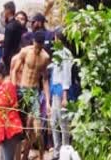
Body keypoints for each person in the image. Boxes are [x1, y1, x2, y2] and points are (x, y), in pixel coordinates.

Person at [10, 31, 51, 160]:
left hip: (34, 92)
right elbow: (15, 70)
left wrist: (48, 102)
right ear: (33, 42)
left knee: (37, 130)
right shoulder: (25, 51)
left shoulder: (45, 57)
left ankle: (37, 156)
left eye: (41, 47)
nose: (38, 49)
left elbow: (44, 79)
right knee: (19, 129)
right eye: (37, 46)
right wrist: (12, 90)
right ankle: (18, 157)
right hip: (22, 89)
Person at [49, 31, 73, 159]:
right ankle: (56, 150)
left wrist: (65, 95)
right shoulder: (56, 54)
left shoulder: (66, 54)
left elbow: (66, 76)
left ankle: (65, 148)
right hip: (54, 89)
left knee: (63, 122)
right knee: (53, 122)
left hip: (61, 90)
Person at [1, 1, 24, 69]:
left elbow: (7, 45)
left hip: (10, 59)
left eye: (4, 10)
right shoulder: (18, 24)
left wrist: (3, 58)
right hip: (18, 56)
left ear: (8, 11)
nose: (4, 12)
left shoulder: (9, 27)